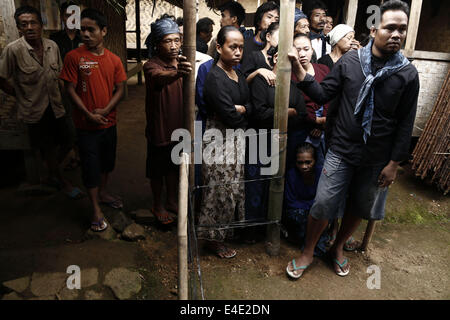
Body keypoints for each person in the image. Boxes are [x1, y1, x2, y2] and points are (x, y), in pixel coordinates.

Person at [286, 0, 420, 278]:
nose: (396, 34)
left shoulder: (407, 74)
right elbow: (323, 94)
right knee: (323, 203)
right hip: (340, 150)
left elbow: (406, 122)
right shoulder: (351, 62)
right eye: (390, 28)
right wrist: (300, 73)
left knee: (359, 206)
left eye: (402, 29)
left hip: (376, 159)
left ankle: (337, 248)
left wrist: (394, 162)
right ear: (374, 30)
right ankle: (308, 251)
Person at [0, 5, 81, 199]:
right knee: (48, 147)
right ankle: (62, 181)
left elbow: (60, 74)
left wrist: (68, 99)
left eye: (33, 23)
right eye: (24, 24)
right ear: (19, 28)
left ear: (41, 25)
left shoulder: (52, 46)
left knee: (70, 138)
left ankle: (49, 170)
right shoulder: (13, 50)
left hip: (57, 105)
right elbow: (1, 78)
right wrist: (19, 95)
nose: (29, 27)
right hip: (34, 110)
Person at [60, 8, 128, 231]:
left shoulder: (114, 60)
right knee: (90, 167)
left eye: (91, 29)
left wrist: (107, 109)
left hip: (109, 122)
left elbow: (120, 88)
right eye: (82, 29)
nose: (85, 34)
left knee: (107, 162)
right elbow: (69, 90)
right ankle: (96, 209)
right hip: (86, 125)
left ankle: (104, 192)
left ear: (104, 31)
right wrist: (88, 114)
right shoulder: (74, 57)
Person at [197, 26, 251, 259]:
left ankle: (224, 233)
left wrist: (242, 109)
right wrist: (239, 111)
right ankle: (211, 240)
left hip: (236, 140)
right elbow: (230, 116)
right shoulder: (214, 78)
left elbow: (251, 107)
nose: (238, 52)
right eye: (232, 47)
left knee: (234, 188)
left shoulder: (238, 75)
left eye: (241, 47)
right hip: (218, 139)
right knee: (218, 191)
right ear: (219, 48)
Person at [246, 45, 307, 231]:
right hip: (259, 141)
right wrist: (288, 111)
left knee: (276, 184)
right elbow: (259, 113)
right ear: (274, 59)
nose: (290, 62)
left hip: (282, 145)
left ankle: (270, 227)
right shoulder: (262, 81)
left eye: (293, 59)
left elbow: (302, 114)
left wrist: (282, 114)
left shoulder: (295, 87)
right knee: (256, 185)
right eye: (287, 58)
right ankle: (251, 229)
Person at [143, 17, 192, 225]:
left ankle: (171, 201)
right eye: (167, 41)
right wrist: (177, 74)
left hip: (180, 126)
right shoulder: (151, 65)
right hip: (160, 127)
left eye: (176, 40)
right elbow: (159, 78)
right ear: (157, 43)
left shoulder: (182, 62)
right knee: (157, 169)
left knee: (175, 165)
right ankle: (158, 205)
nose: (173, 46)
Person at [288, 34, 329, 170]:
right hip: (300, 127)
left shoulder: (323, 69)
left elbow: (330, 98)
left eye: (306, 49)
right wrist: (314, 121)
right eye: (298, 50)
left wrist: (322, 123)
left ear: (312, 50)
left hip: (324, 126)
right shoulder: (288, 75)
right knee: (296, 165)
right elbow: (296, 105)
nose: (302, 54)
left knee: (320, 166)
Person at [50, 1, 83, 171]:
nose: (71, 18)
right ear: (62, 17)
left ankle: (78, 156)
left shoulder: (84, 37)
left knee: (82, 119)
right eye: (67, 14)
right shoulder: (54, 39)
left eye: (74, 14)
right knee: (68, 122)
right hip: (62, 88)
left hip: (83, 87)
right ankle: (59, 164)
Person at [284, 143, 329, 262]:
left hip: (314, 209)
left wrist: (313, 208)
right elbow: (290, 201)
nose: (304, 166)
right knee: (300, 216)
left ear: (315, 161)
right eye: (300, 162)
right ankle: (306, 244)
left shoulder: (321, 174)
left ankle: (316, 246)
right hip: (298, 210)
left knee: (322, 215)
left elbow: (323, 198)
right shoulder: (291, 175)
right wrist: (310, 208)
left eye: (308, 162)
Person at [241, 1, 279, 66]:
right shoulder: (244, 45)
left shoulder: (277, 48)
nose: (273, 21)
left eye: (277, 19)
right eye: (269, 17)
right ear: (259, 20)